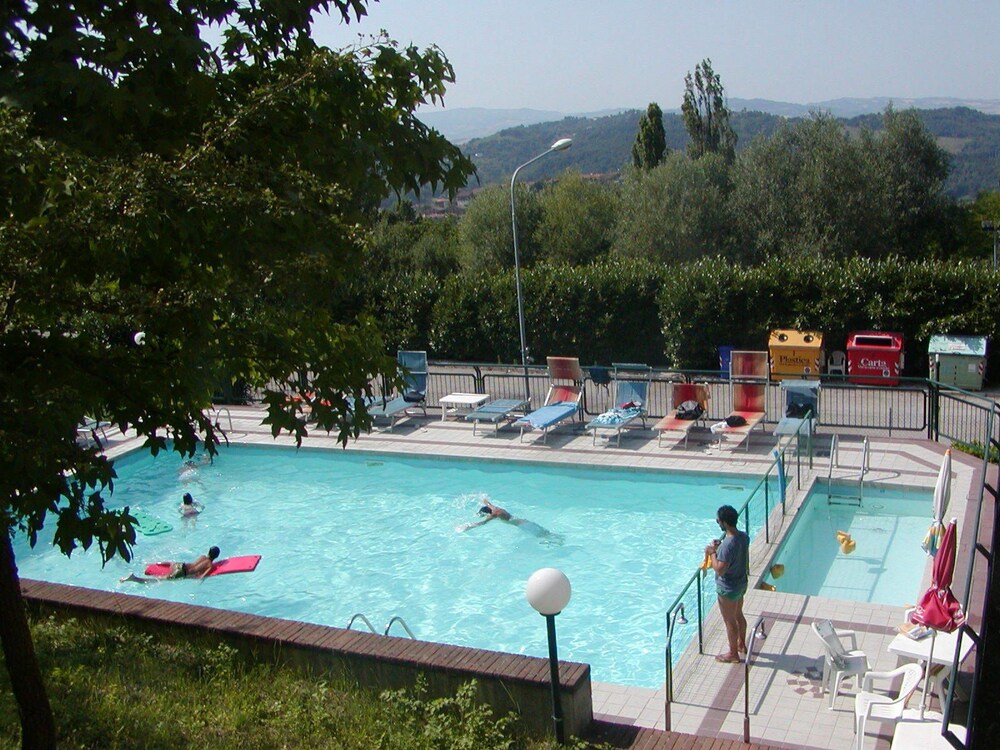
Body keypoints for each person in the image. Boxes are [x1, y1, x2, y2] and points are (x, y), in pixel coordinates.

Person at [705, 505, 749, 663]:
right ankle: (742, 644)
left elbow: (719, 569)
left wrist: (713, 553)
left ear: (723, 522)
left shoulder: (726, 547)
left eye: (718, 520)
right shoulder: (744, 537)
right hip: (741, 584)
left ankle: (733, 654)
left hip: (728, 589)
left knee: (730, 621)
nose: (717, 521)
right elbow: (734, 551)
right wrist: (721, 546)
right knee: (739, 615)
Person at [120, 546, 221, 584]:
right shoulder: (210, 565)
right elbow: (201, 577)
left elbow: (195, 566)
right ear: (216, 556)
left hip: (180, 565)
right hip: (182, 572)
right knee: (157, 580)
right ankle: (134, 578)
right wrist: (199, 580)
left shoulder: (202, 556)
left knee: (171, 563)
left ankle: (156, 564)